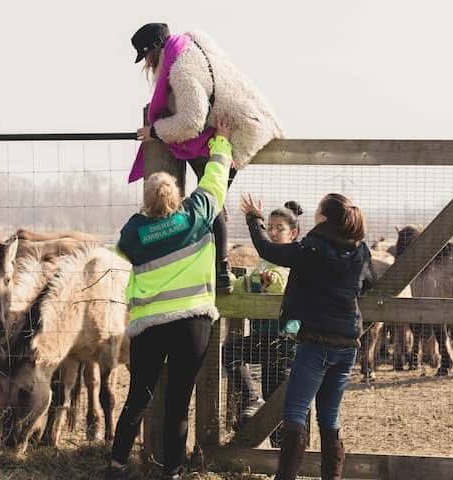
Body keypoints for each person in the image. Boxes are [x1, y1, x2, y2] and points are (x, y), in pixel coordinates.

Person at [105, 116, 232, 480]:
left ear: (146, 202)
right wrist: (220, 141)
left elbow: (121, 249)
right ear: (178, 197)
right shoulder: (195, 215)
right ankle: (173, 473)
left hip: (149, 326)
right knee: (178, 402)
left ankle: (116, 465)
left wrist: (150, 225)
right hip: (193, 323)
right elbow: (215, 180)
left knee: (138, 397)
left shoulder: (135, 230)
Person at [128, 22, 284, 293]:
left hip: (236, 133)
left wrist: (155, 130)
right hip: (243, 122)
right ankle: (216, 269)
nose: (148, 67)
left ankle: (219, 270)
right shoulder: (190, 45)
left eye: (147, 59)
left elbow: (191, 121)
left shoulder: (181, 71)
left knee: (211, 202)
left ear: (153, 52)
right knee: (213, 202)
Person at [241, 193, 370, 480]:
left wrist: (254, 219)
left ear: (323, 218)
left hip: (317, 343)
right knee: (329, 417)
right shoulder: (360, 251)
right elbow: (369, 282)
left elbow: (268, 250)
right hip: (348, 344)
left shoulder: (313, 248)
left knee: (295, 412)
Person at [223, 201, 302, 442]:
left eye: (280, 228)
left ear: (293, 233)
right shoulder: (265, 263)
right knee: (230, 353)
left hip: (285, 341)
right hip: (263, 338)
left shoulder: (294, 259)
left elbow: (282, 281)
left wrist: (271, 280)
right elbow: (242, 286)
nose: (274, 232)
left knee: (280, 402)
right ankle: (251, 398)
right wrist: (224, 276)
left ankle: (284, 456)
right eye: (270, 228)